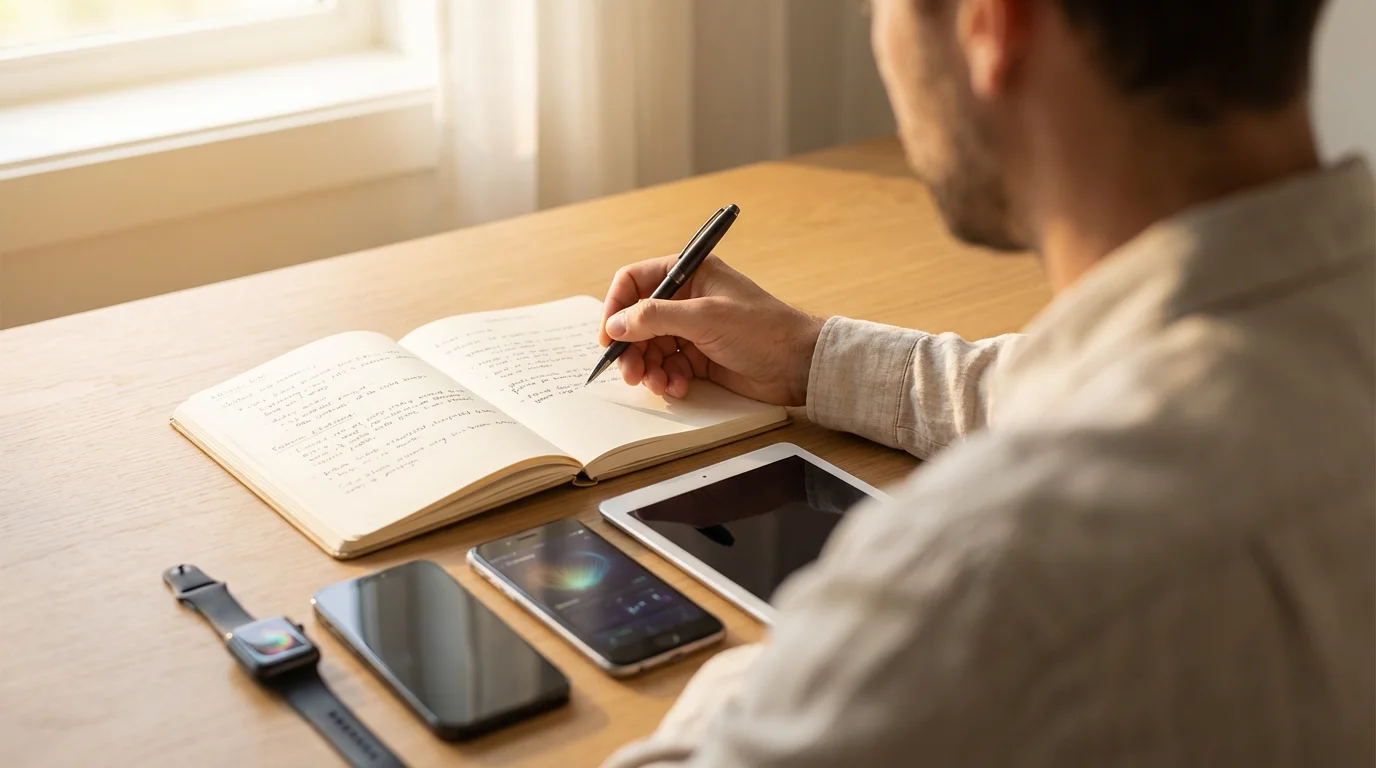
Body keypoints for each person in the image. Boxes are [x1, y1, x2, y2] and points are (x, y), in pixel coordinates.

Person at [597, 0, 1374, 765]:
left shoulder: (987, 587)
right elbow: (1116, 390)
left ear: (992, 27)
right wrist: (812, 356)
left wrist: (785, 666)